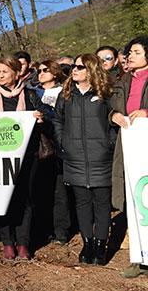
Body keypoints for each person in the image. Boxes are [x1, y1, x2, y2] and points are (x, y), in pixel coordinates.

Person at [0, 55, 43, 260]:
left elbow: (48, 116)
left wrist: (40, 117)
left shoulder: (31, 96)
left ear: (16, 73)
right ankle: (7, 242)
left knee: (26, 199)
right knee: (3, 198)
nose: (0, 75)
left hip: (27, 156)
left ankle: (23, 243)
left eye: (4, 71)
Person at [51, 54, 114, 265]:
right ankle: (87, 243)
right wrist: (63, 142)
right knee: (82, 202)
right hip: (74, 157)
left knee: (102, 204)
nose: (74, 70)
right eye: (74, 66)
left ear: (91, 70)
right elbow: (57, 120)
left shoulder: (105, 93)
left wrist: (109, 144)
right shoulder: (66, 94)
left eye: (79, 66)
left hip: (101, 158)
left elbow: (114, 119)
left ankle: (100, 245)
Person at [109, 36, 148, 278]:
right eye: (128, 52)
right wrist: (113, 114)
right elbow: (110, 107)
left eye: (135, 52)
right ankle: (139, 257)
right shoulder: (122, 81)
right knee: (134, 199)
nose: (129, 56)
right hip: (129, 146)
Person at [33, 60, 71, 245]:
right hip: (39, 147)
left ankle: (61, 230)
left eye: (45, 70)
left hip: (58, 146)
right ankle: (44, 229)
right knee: (41, 191)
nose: (40, 73)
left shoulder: (65, 92)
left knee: (59, 192)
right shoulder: (33, 92)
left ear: (55, 73)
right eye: (39, 70)